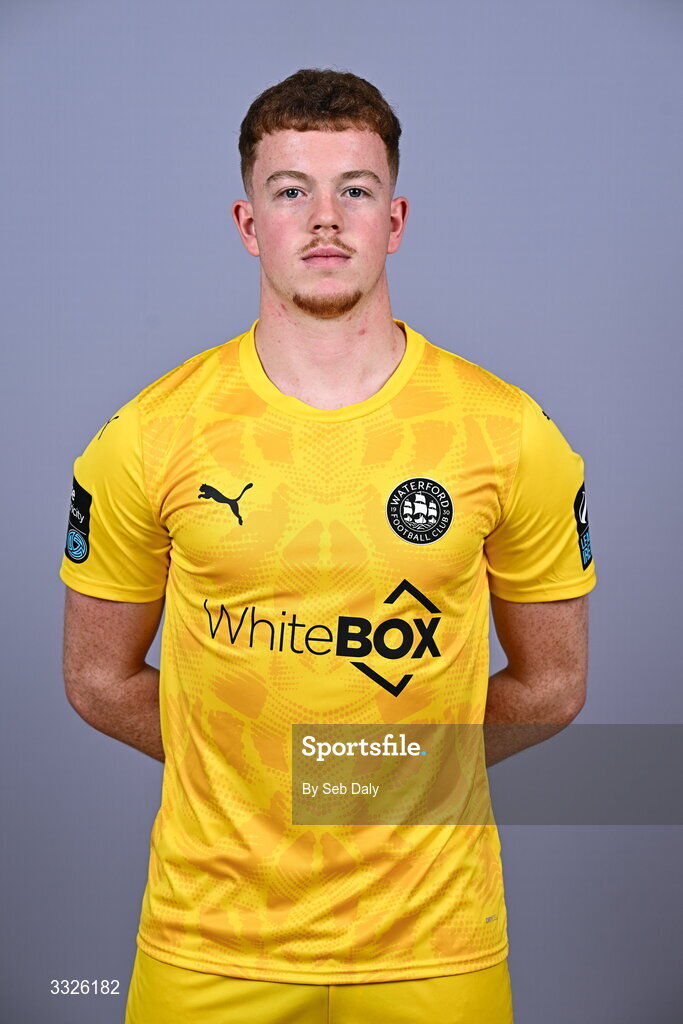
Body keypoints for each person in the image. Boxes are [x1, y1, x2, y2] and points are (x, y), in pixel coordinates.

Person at [60, 67, 596, 1024]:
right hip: (208, 943)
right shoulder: (148, 434)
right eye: (289, 191)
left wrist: (376, 768)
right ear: (246, 222)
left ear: (393, 220)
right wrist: (255, 769)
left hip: (434, 944)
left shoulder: (509, 433)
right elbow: (97, 680)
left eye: (353, 189)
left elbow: (551, 685)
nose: (323, 220)